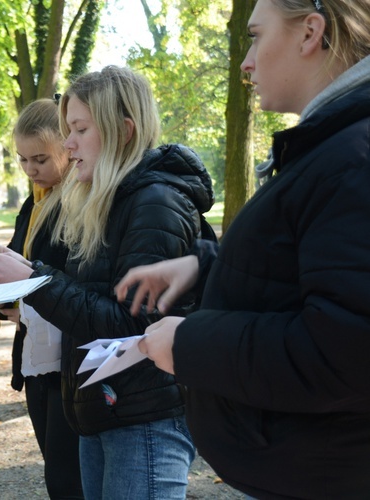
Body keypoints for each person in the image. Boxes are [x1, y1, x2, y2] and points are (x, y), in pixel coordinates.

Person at [114, 1, 370, 498]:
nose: (245, 62)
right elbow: (305, 276)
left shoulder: (352, 159)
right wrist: (207, 267)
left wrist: (190, 344)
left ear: (309, 32)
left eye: (255, 36)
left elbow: (346, 350)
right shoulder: (331, 149)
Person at [0, 66, 216, 499]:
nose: (67, 144)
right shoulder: (102, 200)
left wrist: (33, 281)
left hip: (143, 420)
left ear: (124, 130)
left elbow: (133, 326)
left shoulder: (155, 202)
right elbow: (88, 301)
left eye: (79, 129)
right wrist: (17, 275)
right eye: (66, 130)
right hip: (103, 411)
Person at [0, 98, 83, 499]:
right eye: (23, 160)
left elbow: (73, 278)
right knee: (56, 474)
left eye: (40, 159)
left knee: (69, 478)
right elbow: (14, 260)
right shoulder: (34, 201)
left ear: (67, 145)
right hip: (36, 358)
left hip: (69, 358)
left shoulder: (81, 201)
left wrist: (28, 293)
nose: (30, 170)